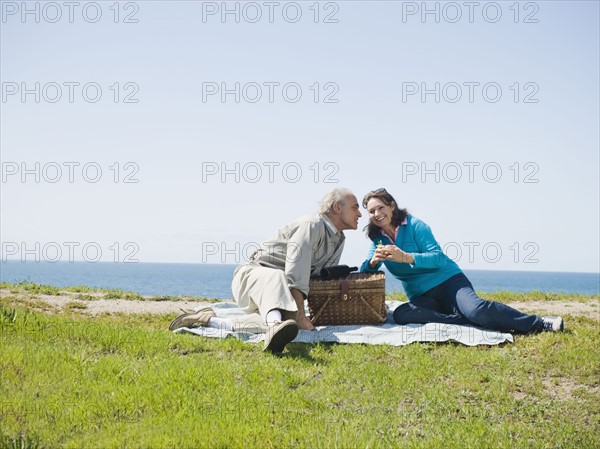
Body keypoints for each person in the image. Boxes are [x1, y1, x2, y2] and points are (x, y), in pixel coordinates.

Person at [169, 188, 363, 353]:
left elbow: (321, 279)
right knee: (279, 281)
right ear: (337, 207)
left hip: (278, 296)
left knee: (289, 326)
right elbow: (297, 268)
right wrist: (302, 316)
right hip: (253, 278)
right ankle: (274, 326)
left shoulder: (338, 239)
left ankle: (210, 321)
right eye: (355, 208)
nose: (360, 214)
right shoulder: (311, 225)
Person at [360, 188, 563, 333]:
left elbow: (438, 258)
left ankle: (539, 323)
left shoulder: (415, 226)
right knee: (402, 315)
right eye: (372, 211)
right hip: (422, 296)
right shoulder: (377, 238)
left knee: (476, 309)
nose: (377, 214)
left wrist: (404, 257)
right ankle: (460, 319)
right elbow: (365, 271)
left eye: (381, 208)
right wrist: (372, 263)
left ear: (392, 206)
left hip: (449, 282)